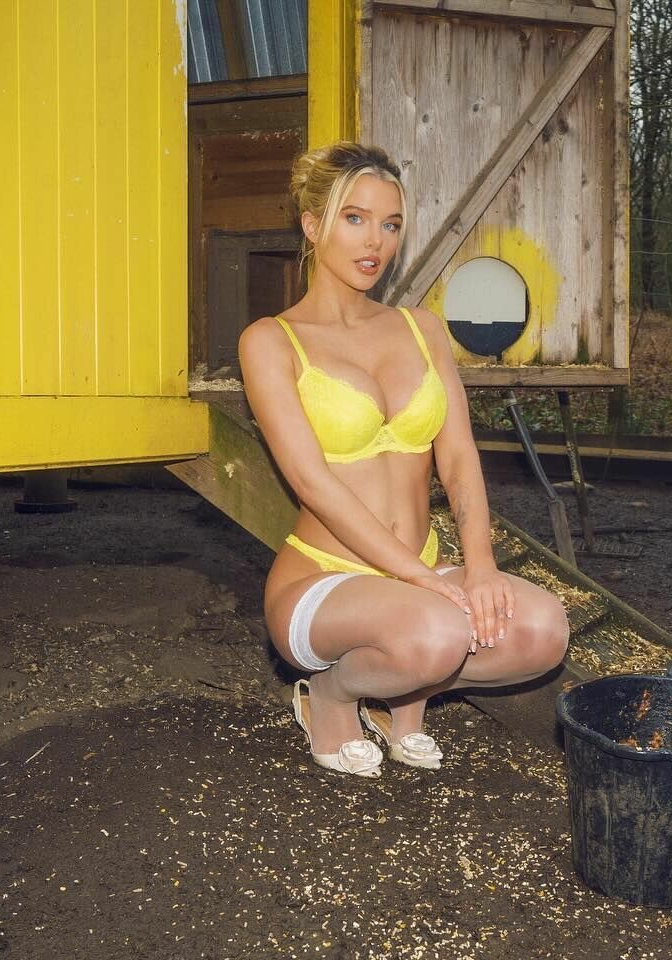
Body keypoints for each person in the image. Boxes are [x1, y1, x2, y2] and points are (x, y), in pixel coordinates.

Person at [239, 142, 571, 778]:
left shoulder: (422, 329)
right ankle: (331, 695)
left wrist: (480, 567)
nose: (376, 242)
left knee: (543, 631)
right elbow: (312, 482)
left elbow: (460, 458)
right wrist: (421, 581)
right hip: (322, 581)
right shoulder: (271, 342)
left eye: (390, 224)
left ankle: (404, 694)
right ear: (312, 226)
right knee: (439, 632)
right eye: (355, 218)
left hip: (420, 575)